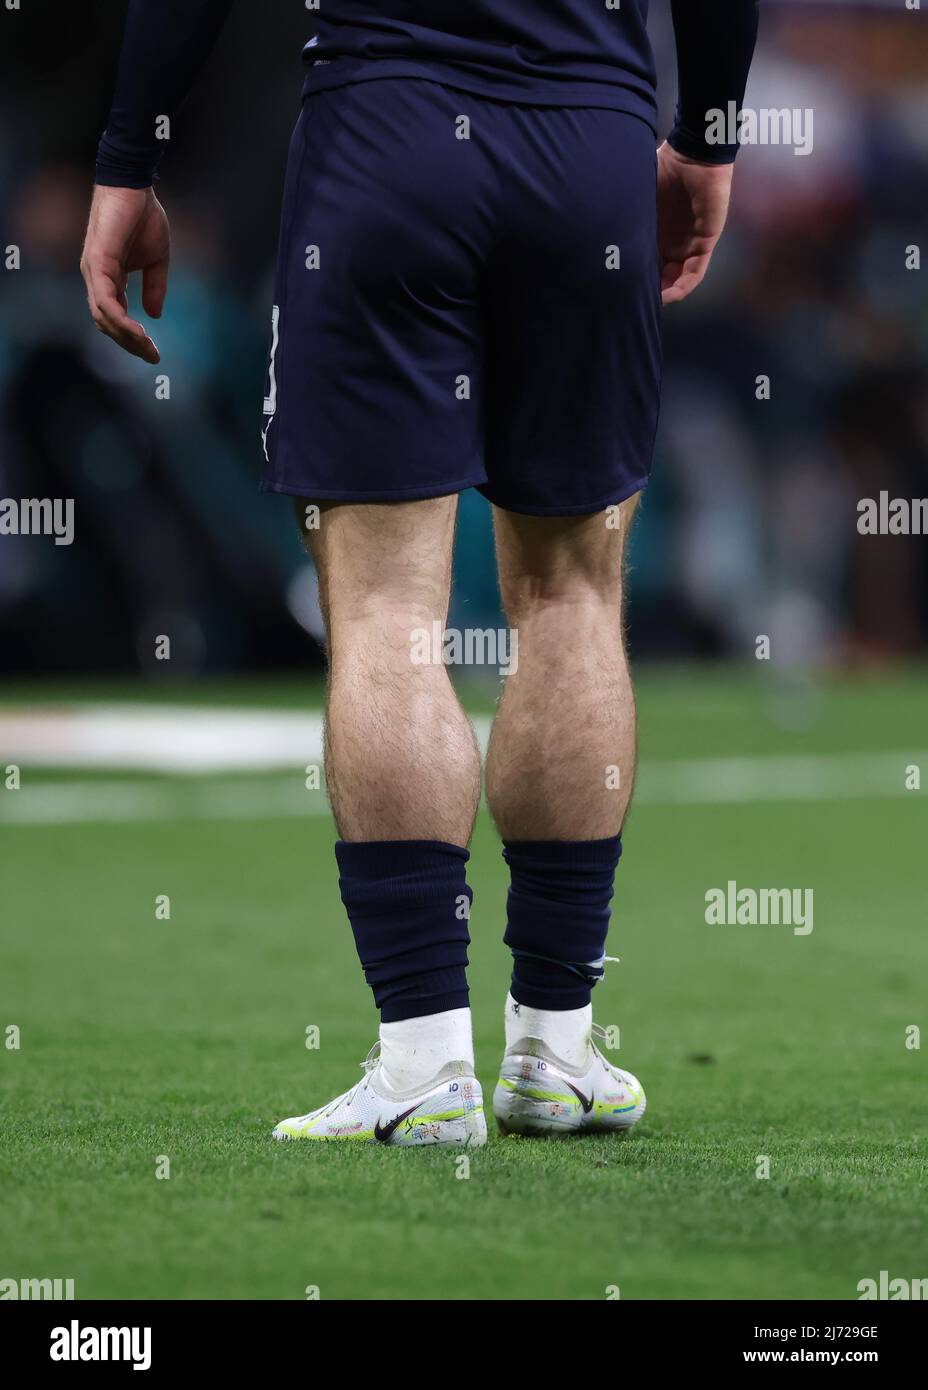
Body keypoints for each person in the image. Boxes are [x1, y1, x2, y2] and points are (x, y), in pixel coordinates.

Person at [81, 1, 759, 1147]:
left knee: (389, 602)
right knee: (573, 596)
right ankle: (555, 1046)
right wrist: (707, 137)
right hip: (587, 138)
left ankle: (424, 1064)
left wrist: (124, 163)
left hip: (384, 136)